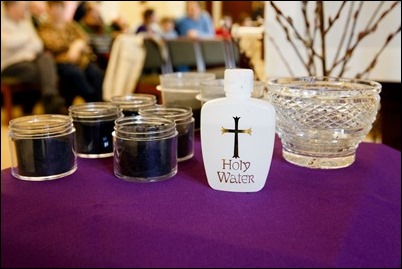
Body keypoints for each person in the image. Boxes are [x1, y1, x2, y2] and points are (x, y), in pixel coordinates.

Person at [1, 1, 66, 115]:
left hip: (31, 62)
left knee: (46, 57)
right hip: (9, 65)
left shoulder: (25, 21)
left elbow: (38, 44)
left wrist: (23, 45)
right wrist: (27, 39)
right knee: (45, 72)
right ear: (12, 6)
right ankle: (50, 100)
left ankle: (49, 97)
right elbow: (7, 43)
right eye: (23, 6)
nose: (26, 9)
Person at [38, 1, 104, 105]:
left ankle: (99, 104)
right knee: (76, 74)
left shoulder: (71, 25)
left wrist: (77, 46)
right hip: (61, 62)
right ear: (48, 9)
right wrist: (75, 45)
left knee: (96, 73)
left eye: (59, 7)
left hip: (81, 60)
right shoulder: (45, 27)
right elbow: (53, 44)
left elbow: (84, 38)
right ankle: (92, 103)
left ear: (63, 8)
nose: (56, 11)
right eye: (53, 8)